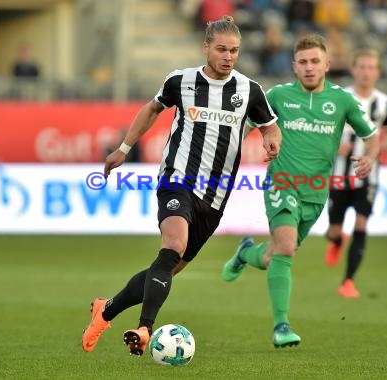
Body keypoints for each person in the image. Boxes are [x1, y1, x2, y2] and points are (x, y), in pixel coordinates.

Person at [82, 15, 282, 355]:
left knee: (167, 266)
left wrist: (271, 141)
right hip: (178, 179)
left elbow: (269, 126)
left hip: (216, 196)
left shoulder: (250, 90)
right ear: (206, 48)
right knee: (173, 243)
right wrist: (124, 148)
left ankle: (107, 309)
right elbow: (151, 109)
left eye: (234, 50)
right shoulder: (181, 81)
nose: (228, 56)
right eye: (221, 49)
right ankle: (145, 328)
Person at [221, 33, 380, 347]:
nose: (309, 67)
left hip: (317, 193)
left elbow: (372, 135)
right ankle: (281, 327)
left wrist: (370, 159)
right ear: (294, 66)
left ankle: (244, 252)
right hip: (281, 183)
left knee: (275, 254)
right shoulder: (278, 96)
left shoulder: (343, 100)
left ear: (327, 65)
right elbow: (244, 128)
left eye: (315, 61)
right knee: (285, 248)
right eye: (303, 62)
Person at [324, 48, 387, 298]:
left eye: (371, 67)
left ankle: (347, 282)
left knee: (362, 223)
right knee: (334, 229)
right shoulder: (338, 97)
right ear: (354, 70)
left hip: (369, 175)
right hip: (338, 172)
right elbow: (323, 129)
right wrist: (334, 146)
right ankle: (335, 241)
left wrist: (384, 146)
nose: (366, 72)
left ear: (377, 72)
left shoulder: (385, 103)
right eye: (362, 67)